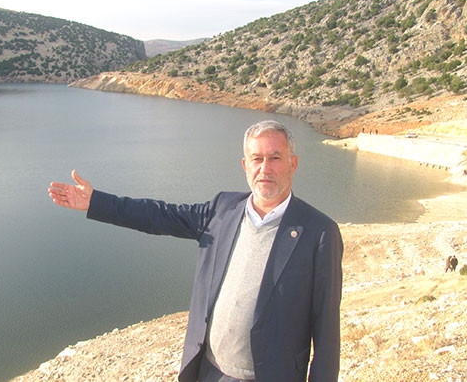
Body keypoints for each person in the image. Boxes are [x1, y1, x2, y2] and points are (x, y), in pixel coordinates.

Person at [48, 120, 344, 382]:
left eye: (275, 158)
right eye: (257, 159)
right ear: (245, 165)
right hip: (210, 372)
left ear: (293, 163)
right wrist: (96, 202)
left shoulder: (318, 232)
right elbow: (159, 215)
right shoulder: (223, 210)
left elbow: (327, 332)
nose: (264, 168)